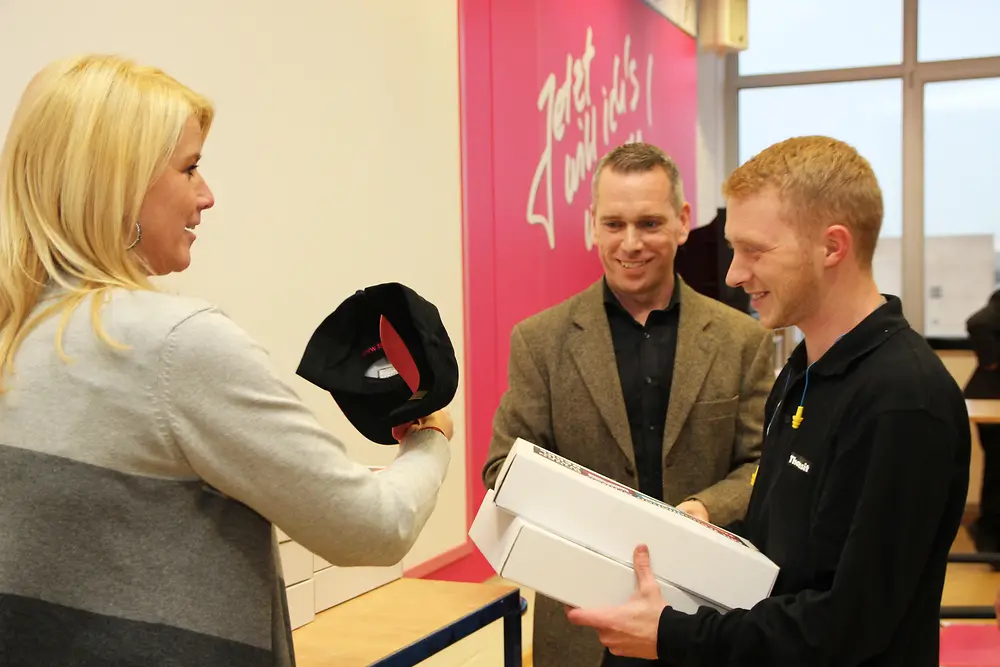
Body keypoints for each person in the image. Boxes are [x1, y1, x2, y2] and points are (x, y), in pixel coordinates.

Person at [0, 54, 453, 666]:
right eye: (189, 168)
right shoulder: (173, 346)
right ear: (118, 184)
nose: (207, 195)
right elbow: (373, 527)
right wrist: (430, 439)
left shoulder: (17, 334)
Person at [565, 135, 972, 667]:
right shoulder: (803, 373)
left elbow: (847, 627)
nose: (734, 274)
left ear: (832, 247)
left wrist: (674, 635)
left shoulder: (903, 400)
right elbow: (777, 558)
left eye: (755, 251)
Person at [482, 142, 775, 667]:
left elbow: (761, 465)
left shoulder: (742, 341)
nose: (631, 243)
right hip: (581, 627)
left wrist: (704, 509)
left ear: (682, 222)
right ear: (592, 225)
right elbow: (502, 467)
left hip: (704, 623)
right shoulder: (540, 342)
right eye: (614, 224)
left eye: (649, 223)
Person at [965, 289, 1000, 561]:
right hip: (990, 398)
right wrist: (992, 359)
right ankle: (990, 536)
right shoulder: (989, 315)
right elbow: (977, 322)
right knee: (997, 470)